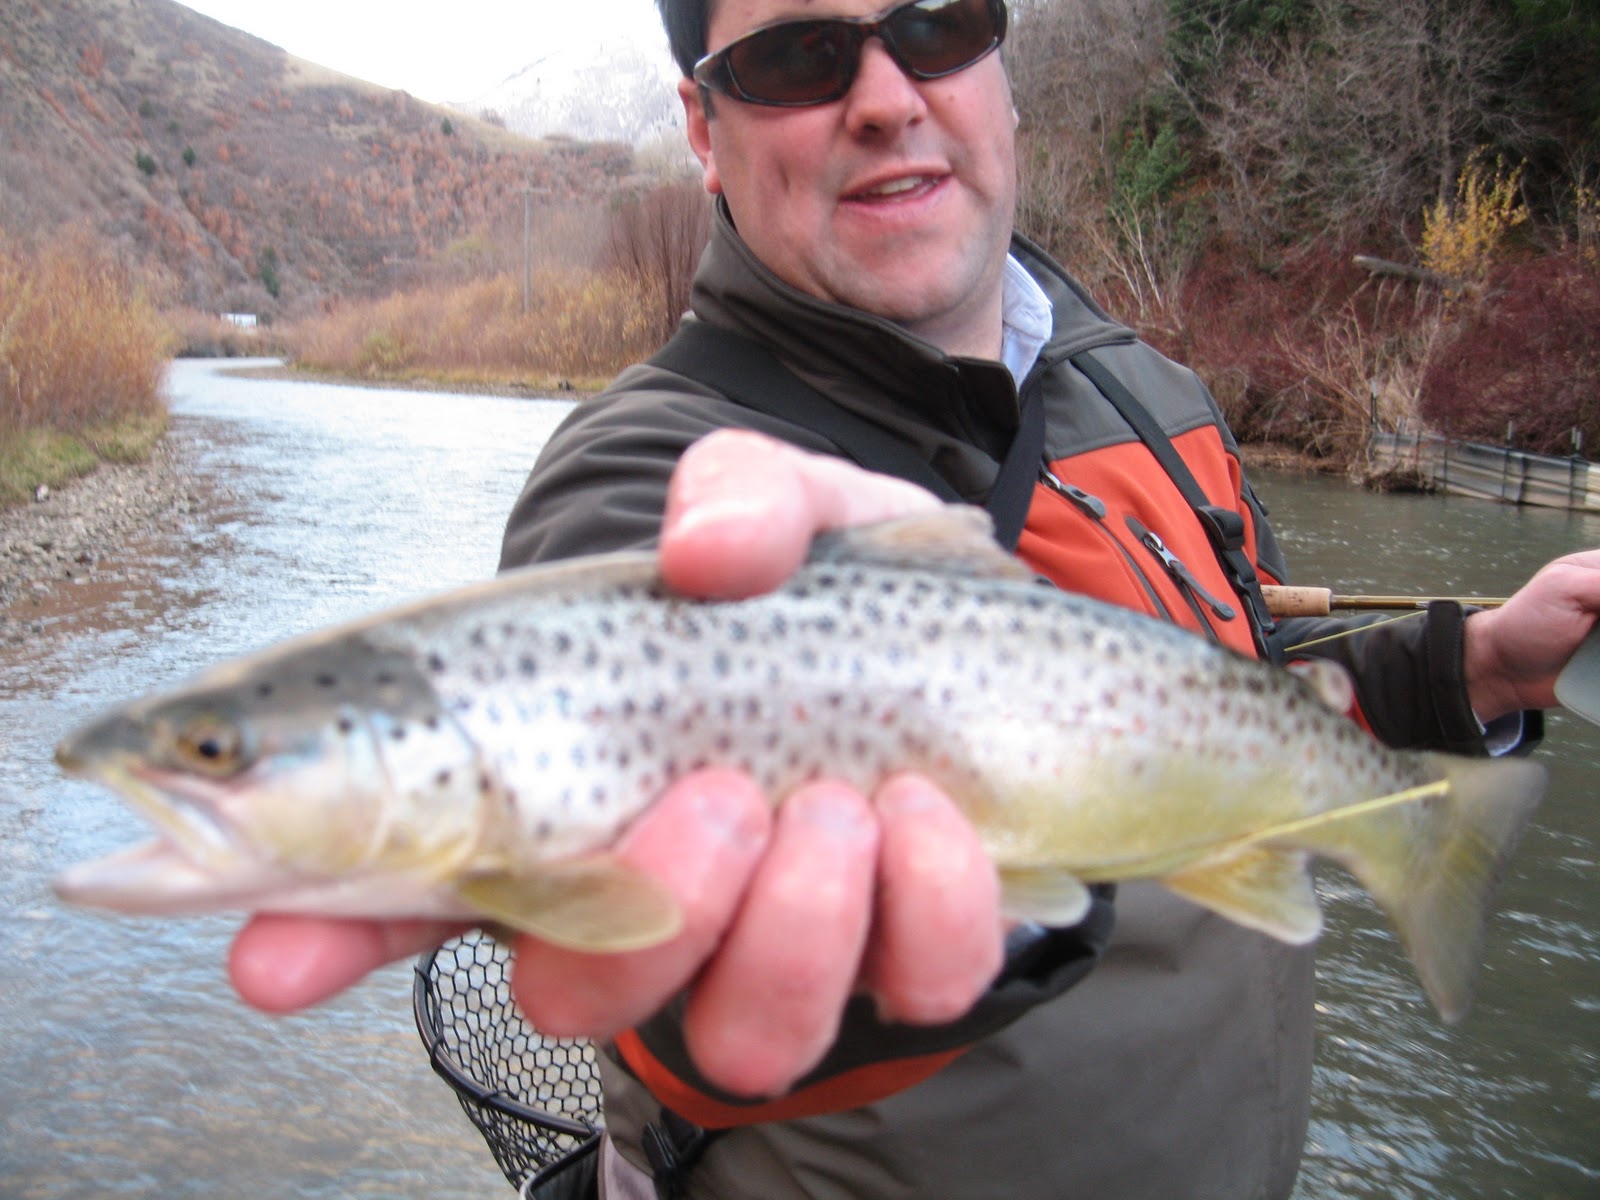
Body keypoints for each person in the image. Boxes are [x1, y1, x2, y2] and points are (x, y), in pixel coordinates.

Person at [228, 0, 1600, 1196]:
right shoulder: (659, 470)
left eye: (937, 23)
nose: (887, 98)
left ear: (1001, 68)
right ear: (704, 130)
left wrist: (1477, 668)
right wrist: (786, 963)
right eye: (799, 57)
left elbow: (1232, 680)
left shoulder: (1147, 388)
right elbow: (675, 966)